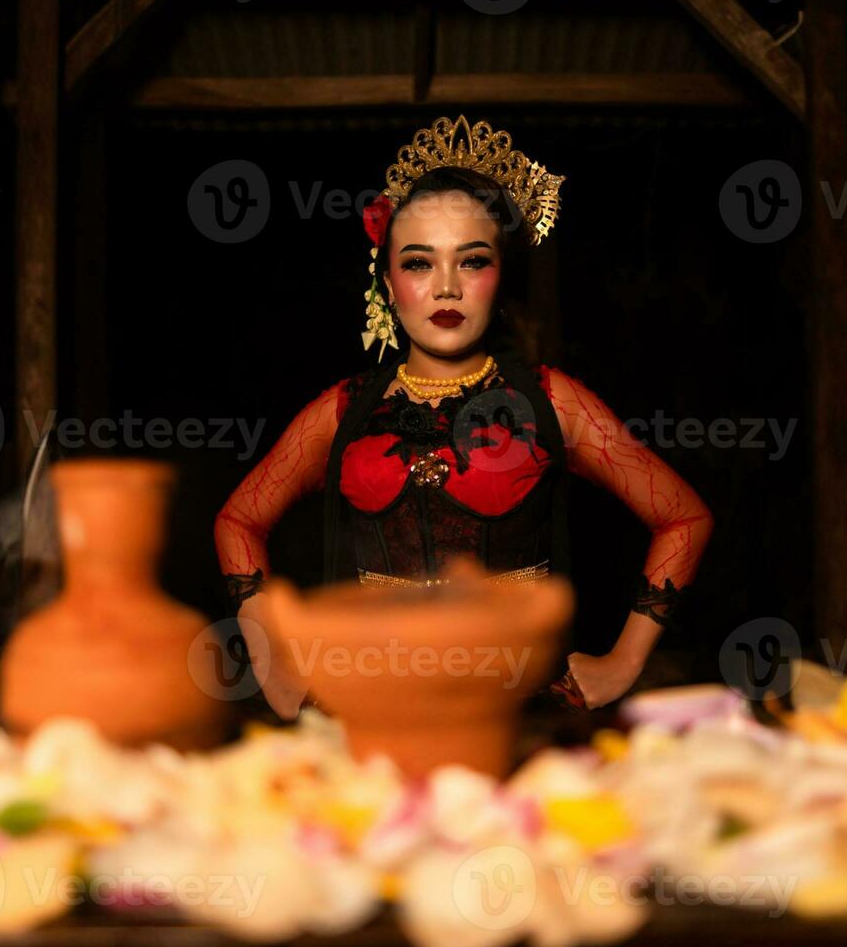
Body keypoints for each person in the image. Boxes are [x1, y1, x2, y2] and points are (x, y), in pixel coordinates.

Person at [214, 116, 712, 715]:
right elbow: (238, 522)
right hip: (372, 712)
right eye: (420, 263)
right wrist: (277, 669)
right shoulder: (343, 409)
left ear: (501, 278)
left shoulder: (553, 402)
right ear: (388, 282)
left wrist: (623, 662)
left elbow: (683, 518)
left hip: (519, 714)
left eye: (472, 261)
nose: (446, 286)